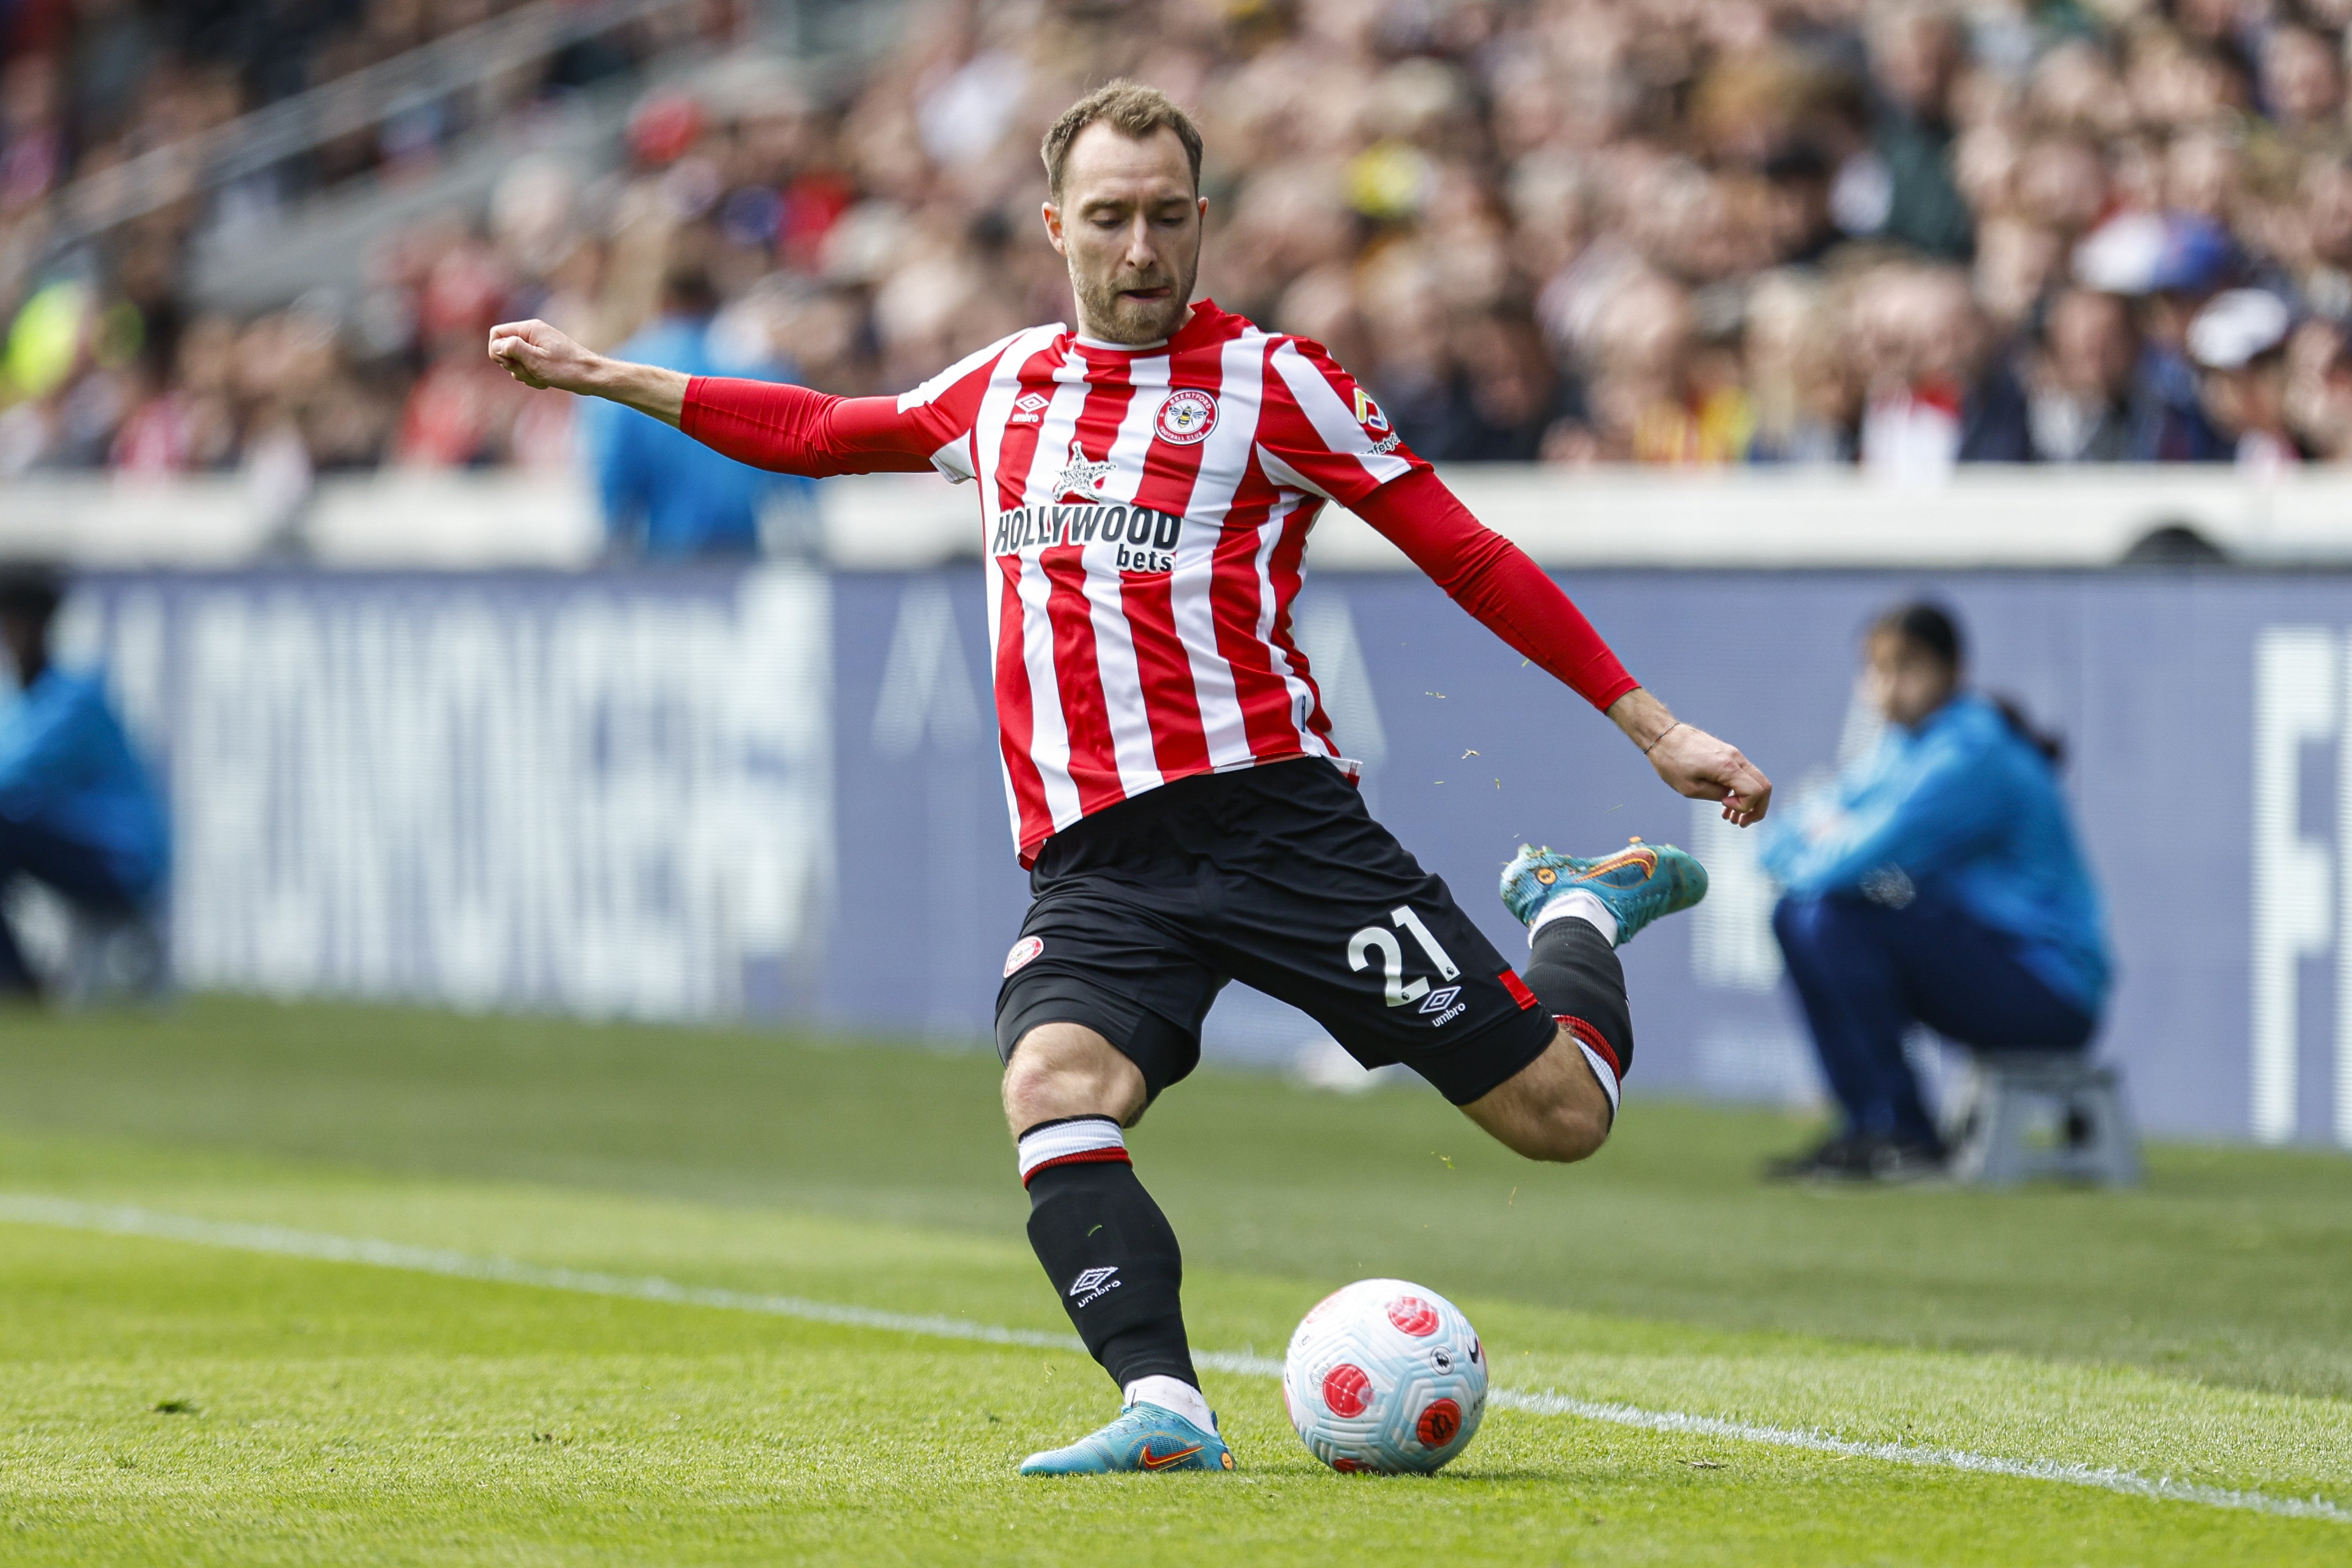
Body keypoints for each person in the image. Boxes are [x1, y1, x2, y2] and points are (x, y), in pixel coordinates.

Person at [489, 81, 1772, 1476]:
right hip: (1097, 862)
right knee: (1051, 1077)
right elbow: (818, 432)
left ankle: (1578, 911)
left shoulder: (1280, 384)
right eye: (1110, 218)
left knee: (1561, 1118)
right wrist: (605, 373)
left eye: (1168, 217)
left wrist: (1649, 726)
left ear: (1204, 218)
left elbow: (1462, 551)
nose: (1142, 249)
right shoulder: (1002, 387)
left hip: (1277, 824)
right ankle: (1165, 1401)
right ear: (1057, 226)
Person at [1760, 602, 2108, 1181]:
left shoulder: (1968, 756)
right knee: (1794, 916)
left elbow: (1844, 862)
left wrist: (1828, 837)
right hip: (1988, 959)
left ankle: (1903, 1132)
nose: (1887, 687)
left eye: (1905, 667)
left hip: (2048, 990)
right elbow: (1772, 844)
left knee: (1828, 919)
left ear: (1952, 671)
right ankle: (1866, 1124)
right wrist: (1822, 842)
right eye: (1874, 669)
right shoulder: (1904, 745)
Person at [0, 565, 169, 997]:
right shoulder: (20, 696)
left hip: (119, 859)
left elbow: (14, 772)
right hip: (74, 846)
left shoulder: (75, 698)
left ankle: (17, 983)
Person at [583, 256, 816, 558]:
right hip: (744, 557)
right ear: (712, 300)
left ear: (660, 301)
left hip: (665, 559)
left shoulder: (623, 372)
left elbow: (614, 483)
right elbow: (800, 476)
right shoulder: (758, 370)